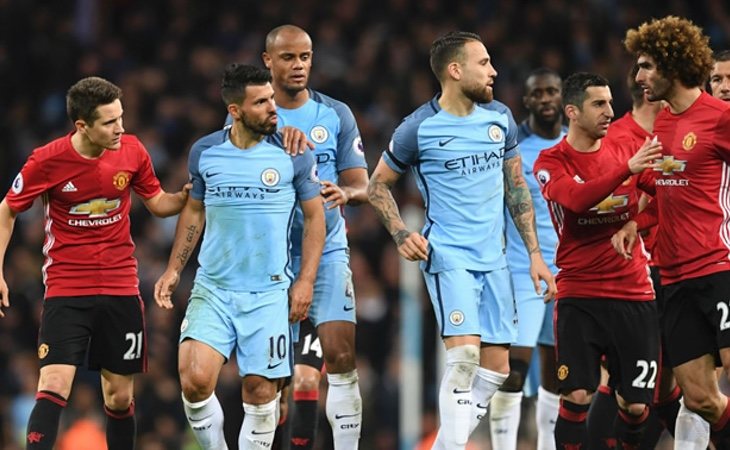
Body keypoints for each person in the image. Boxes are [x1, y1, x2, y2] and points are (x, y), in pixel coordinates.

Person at [367, 31, 557, 450]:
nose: (494, 71)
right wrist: (400, 233)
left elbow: (516, 191)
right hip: (448, 256)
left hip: (497, 259)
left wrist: (534, 255)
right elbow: (377, 185)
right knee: (465, 358)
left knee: (497, 369)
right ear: (455, 70)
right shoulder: (418, 128)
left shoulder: (500, 119)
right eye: (484, 62)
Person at [0, 76, 191, 450]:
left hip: (120, 286)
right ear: (82, 125)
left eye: (121, 118)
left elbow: (158, 204)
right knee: (53, 383)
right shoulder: (47, 160)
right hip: (66, 287)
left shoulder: (133, 151)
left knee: (119, 397)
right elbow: (7, 210)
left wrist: (184, 196)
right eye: (109, 122)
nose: (120, 128)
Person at [153, 64, 325, 450]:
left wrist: (307, 280)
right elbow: (195, 211)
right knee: (194, 380)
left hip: (267, 294)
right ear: (235, 110)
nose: (272, 108)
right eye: (261, 102)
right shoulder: (206, 152)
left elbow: (315, 218)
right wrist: (174, 269)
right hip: (213, 288)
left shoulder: (292, 153)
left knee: (261, 392)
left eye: (272, 99)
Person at [614, 15, 730, 447]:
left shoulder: (720, 117)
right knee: (700, 397)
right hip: (675, 277)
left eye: (646, 66)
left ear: (673, 65)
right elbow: (662, 190)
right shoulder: (661, 124)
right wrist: (632, 220)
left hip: (719, 265)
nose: (639, 76)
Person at [533, 72, 663, 449]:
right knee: (576, 397)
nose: (610, 111)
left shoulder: (624, 152)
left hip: (633, 292)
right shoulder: (551, 160)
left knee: (636, 406)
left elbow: (662, 199)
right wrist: (628, 171)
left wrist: (634, 224)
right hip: (580, 295)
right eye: (598, 104)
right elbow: (576, 200)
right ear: (572, 111)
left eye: (609, 102)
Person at [261, 24, 369, 450]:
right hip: (269, 260)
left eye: (305, 57)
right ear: (268, 61)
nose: (299, 65)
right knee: (270, 381)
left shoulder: (335, 114)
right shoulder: (254, 114)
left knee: (339, 360)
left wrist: (346, 192)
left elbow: (361, 183)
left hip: (326, 252)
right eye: (288, 57)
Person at [489, 67, 564, 450]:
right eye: (539, 93)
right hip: (522, 272)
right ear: (528, 100)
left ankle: (547, 445)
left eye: (553, 92)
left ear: (563, 99)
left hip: (567, 274)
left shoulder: (574, 144)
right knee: (512, 370)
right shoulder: (513, 147)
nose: (546, 99)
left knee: (557, 373)